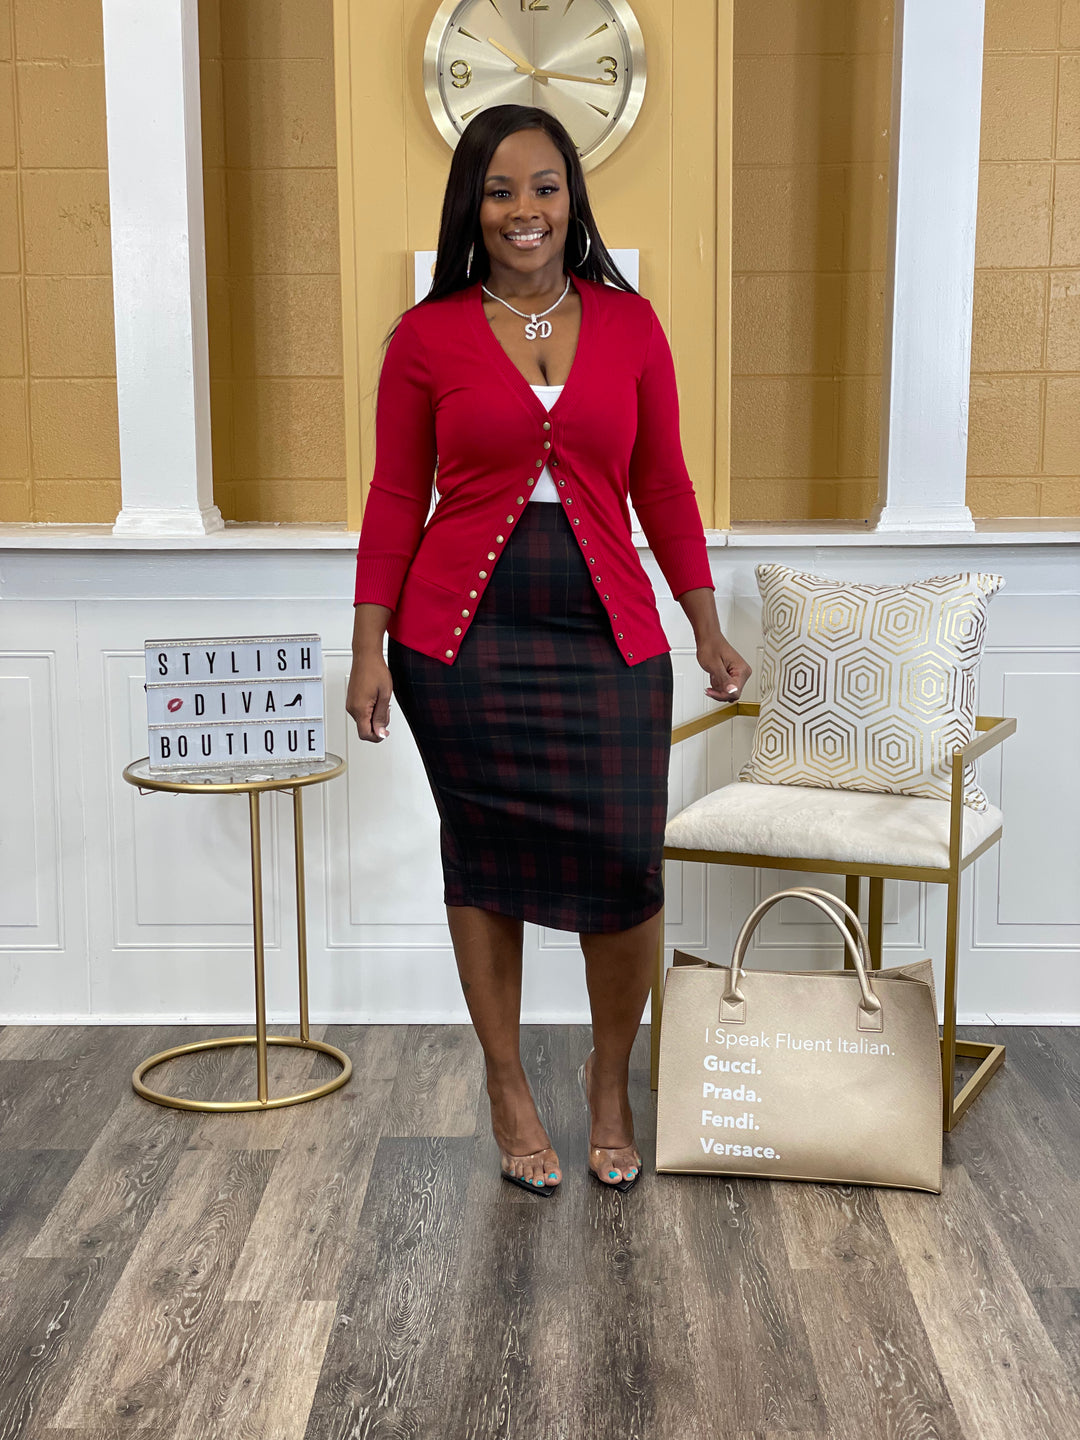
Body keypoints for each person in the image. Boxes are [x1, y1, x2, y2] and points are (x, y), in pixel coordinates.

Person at [347, 105, 750, 1197]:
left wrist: (704, 621)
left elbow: (661, 482)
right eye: (499, 191)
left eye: (544, 188)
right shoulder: (426, 339)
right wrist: (368, 646)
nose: (524, 211)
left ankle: (610, 1081)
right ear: (471, 208)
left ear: (573, 199)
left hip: (606, 631)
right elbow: (395, 496)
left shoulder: (631, 324)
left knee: (626, 866)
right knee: (484, 861)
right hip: (458, 642)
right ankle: (506, 1081)